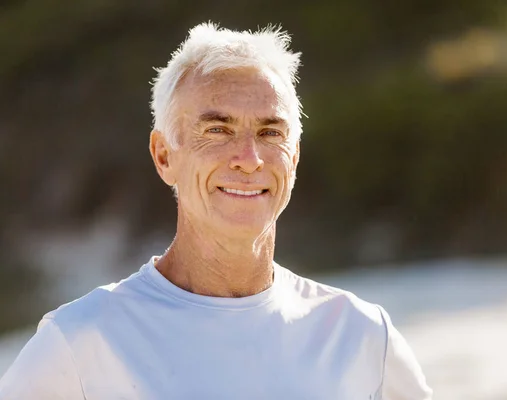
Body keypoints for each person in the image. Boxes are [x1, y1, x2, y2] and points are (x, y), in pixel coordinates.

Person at [0, 23, 432, 399]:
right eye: (217, 129)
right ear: (164, 155)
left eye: (270, 132)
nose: (249, 157)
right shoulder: (78, 343)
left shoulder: (362, 336)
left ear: (295, 157)